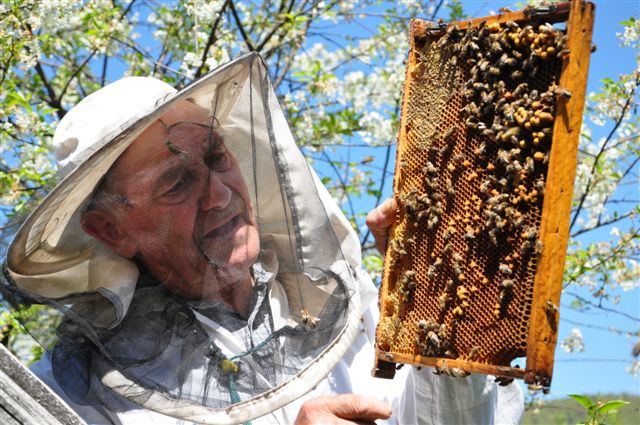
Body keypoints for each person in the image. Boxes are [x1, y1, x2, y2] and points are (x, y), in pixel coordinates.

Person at [3, 53, 523, 424]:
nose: (220, 195)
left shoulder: (352, 301)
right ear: (111, 230)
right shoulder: (77, 399)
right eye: (176, 182)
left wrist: (440, 309)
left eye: (215, 157)